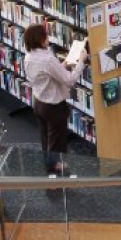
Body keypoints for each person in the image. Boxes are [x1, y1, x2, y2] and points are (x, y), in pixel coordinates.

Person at [22, 22, 87, 175]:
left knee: (45, 137)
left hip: (39, 102)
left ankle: (48, 163)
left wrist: (63, 64)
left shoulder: (29, 57)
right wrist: (82, 63)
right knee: (56, 139)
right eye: (46, 35)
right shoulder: (47, 59)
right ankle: (54, 166)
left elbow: (47, 74)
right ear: (40, 39)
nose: (48, 38)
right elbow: (69, 81)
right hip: (53, 106)